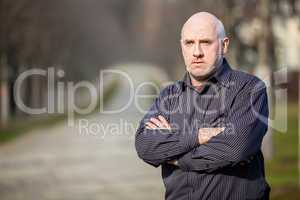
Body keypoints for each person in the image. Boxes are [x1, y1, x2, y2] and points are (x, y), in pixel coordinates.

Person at [135, 12, 270, 200]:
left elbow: (236, 148)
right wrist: (199, 136)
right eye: (189, 43)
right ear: (182, 47)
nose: (196, 52)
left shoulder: (249, 89)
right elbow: (145, 145)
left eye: (205, 42)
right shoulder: (169, 96)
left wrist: (177, 158)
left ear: (224, 46)